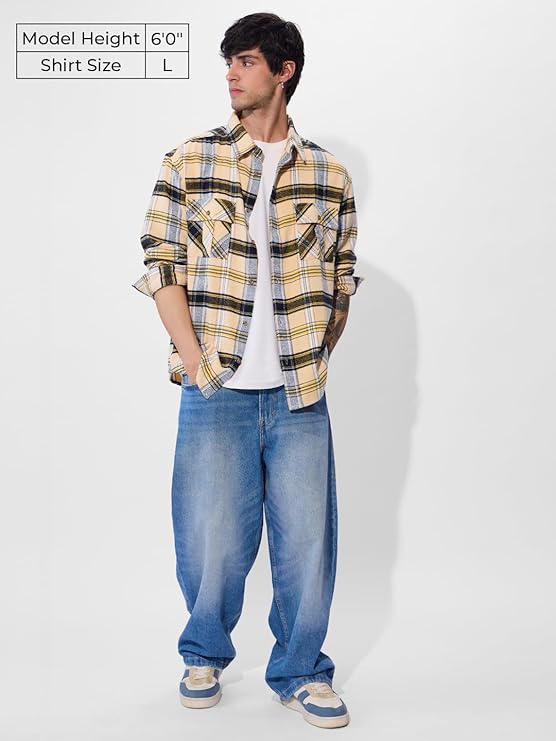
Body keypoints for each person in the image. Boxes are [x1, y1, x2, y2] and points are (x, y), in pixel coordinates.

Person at [131, 12, 364, 729]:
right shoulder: (189, 160)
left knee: (308, 547)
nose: (231, 73)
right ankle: (203, 651)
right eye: (228, 61)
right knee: (211, 541)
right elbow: (161, 264)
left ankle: (302, 671)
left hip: (298, 394)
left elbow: (342, 276)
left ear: (284, 71)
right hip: (217, 388)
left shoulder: (327, 174)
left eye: (247, 60)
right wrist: (195, 361)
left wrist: (314, 354)